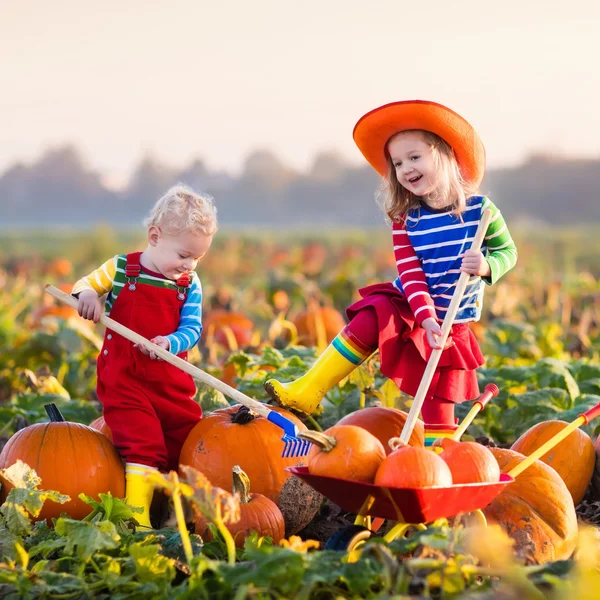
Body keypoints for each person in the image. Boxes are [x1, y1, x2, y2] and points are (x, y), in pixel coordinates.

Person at [265, 100, 517, 447]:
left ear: (443, 154)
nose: (405, 168)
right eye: (397, 163)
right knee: (373, 316)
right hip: (412, 304)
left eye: (414, 157)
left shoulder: (481, 212)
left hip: (453, 319)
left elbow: (508, 253)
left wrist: (488, 266)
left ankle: (436, 464)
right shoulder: (407, 220)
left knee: (438, 399)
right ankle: (308, 390)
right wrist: (425, 317)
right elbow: (411, 274)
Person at [73, 183, 218, 527]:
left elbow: (193, 329)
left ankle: (173, 512)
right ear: (154, 237)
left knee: (182, 442)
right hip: (125, 379)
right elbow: (84, 285)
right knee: (143, 442)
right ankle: (136, 521)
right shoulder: (123, 269)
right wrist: (89, 296)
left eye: (198, 258)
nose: (189, 265)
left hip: (169, 382)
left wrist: (170, 342)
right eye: (184, 255)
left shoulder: (189, 284)